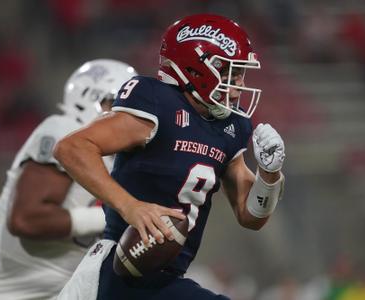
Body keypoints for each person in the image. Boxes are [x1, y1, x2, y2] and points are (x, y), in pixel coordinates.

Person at [55, 14, 286, 300]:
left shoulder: (231, 127)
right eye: (230, 72)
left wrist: (269, 174)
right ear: (196, 68)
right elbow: (71, 148)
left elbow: (251, 216)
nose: (239, 83)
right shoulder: (157, 102)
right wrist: (131, 207)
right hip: (118, 269)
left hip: (162, 279)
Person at [0, 59, 138, 300]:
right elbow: (26, 219)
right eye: (119, 106)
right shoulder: (64, 131)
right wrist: (118, 213)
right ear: (92, 100)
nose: (128, 119)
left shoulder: (118, 161)